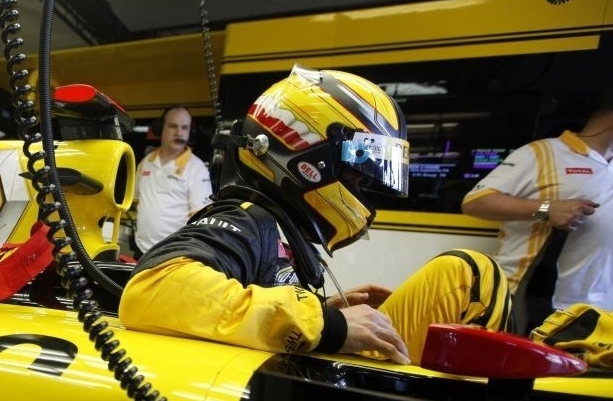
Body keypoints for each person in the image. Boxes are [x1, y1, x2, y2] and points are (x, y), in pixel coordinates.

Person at [118, 65, 512, 364]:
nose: (361, 185)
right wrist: (327, 324)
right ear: (307, 155)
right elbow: (151, 290)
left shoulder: (278, 226)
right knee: (472, 275)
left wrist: (325, 311)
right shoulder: (248, 218)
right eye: (355, 174)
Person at [461, 86, 613, 330]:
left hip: (597, 311)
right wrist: (546, 209)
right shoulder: (543, 153)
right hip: (530, 299)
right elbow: (476, 202)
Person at [130, 105, 213, 256]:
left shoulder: (197, 168)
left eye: (184, 128)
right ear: (161, 128)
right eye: (173, 126)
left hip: (174, 255)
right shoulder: (146, 162)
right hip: (141, 250)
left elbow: (202, 219)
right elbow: (137, 202)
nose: (179, 133)